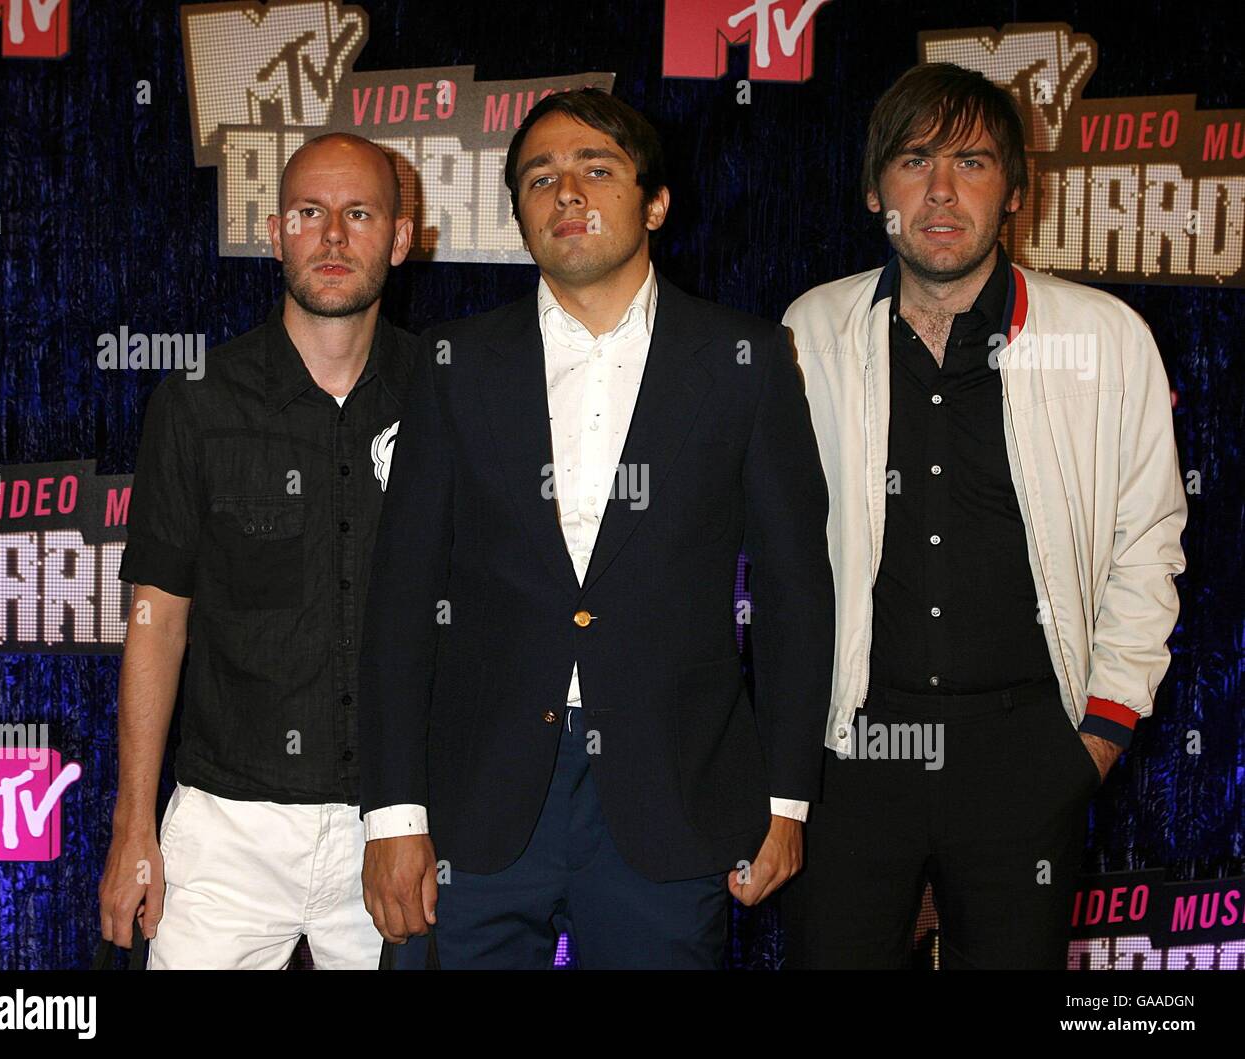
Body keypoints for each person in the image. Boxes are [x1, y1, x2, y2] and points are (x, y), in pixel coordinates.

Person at [358, 88, 834, 969]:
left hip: (672, 797)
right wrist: (393, 813)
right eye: (541, 178)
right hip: (478, 800)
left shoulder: (747, 360)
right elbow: (399, 599)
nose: (567, 192)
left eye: (597, 169)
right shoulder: (453, 366)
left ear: (654, 203)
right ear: (520, 218)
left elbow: (795, 591)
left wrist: (787, 799)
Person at [780, 63, 1187, 969]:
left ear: (1013, 192)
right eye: (914, 159)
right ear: (874, 187)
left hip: (1026, 754)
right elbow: (776, 550)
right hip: (855, 749)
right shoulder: (812, 330)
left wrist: (1096, 740)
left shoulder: (1104, 339)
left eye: (971, 161)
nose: (940, 191)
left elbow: (1148, 539)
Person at [99, 133, 417, 969]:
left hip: (395, 823)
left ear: (401, 236)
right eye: (311, 213)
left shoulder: (446, 398)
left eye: (360, 214)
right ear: (277, 232)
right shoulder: (197, 404)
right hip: (224, 828)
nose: (335, 238)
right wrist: (134, 823)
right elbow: (157, 622)